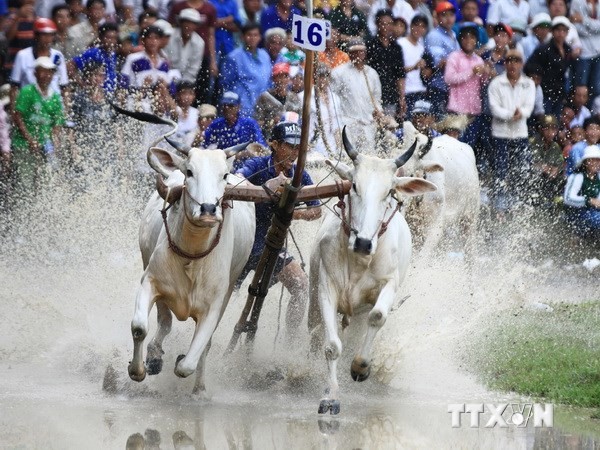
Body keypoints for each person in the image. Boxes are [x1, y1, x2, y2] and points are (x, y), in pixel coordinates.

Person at [234, 120, 322, 337]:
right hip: (241, 243)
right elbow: (235, 182)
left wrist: (293, 213)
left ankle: (290, 342)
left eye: (298, 148)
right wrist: (268, 188)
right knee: (228, 295)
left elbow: (317, 210)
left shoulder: (301, 174)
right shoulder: (257, 165)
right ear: (274, 145)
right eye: (289, 146)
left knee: (301, 285)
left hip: (271, 244)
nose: (294, 153)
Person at [487, 48, 536, 212]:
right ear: (505, 63)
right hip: (500, 134)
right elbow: (494, 109)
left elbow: (529, 108)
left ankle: (517, 205)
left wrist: (519, 113)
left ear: (521, 63)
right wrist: (512, 114)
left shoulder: (528, 83)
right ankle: (500, 207)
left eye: (516, 61)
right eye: (509, 61)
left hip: (520, 133)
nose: (512, 64)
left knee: (521, 171)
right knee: (500, 171)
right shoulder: (496, 83)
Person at [10, 56, 65, 196]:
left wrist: (53, 140)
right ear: (35, 73)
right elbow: (17, 115)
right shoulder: (27, 92)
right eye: (43, 72)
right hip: (24, 145)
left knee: (45, 182)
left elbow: (58, 122)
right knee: (26, 182)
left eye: (50, 72)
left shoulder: (54, 97)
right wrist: (30, 139)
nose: (46, 75)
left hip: (45, 146)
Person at [331, 37, 382, 150]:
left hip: (368, 124)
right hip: (348, 123)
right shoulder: (339, 73)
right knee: (348, 156)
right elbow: (333, 98)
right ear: (349, 54)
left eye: (361, 51)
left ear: (365, 53)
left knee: (368, 157)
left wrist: (378, 111)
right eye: (354, 52)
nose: (358, 54)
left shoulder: (372, 74)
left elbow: (377, 98)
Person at [9, 18, 69, 112]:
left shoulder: (58, 56)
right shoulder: (23, 55)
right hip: (29, 104)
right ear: (36, 36)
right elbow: (14, 86)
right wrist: (13, 111)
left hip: (53, 104)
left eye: (50, 35)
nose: (47, 39)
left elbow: (64, 87)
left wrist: (66, 110)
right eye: (44, 35)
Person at [526, 16, 574, 118]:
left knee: (555, 123)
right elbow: (529, 66)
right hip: (546, 92)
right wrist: (539, 76)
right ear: (552, 31)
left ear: (567, 32)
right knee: (545, 122)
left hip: (559, 93)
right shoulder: (544, 49)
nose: (560, 33)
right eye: (558, 30)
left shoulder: (568, 49)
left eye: (563, 30)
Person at [203, 91, 267, 166]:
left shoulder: (249, 123)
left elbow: (262, 147)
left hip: (246, 165)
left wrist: (246, 152)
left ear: (238, 107)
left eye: (231, 105)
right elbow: (205, 147)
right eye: (224, 105)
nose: (226, 108)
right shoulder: (216, 124)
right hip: (223, 165)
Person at [221, 24, 271, 117]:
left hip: (263, 105)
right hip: (243, 105)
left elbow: (268, 81)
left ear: (260, 37)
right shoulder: (234, 57)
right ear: (242, 37)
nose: (252, 38)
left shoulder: (265, 55)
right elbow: (226, 84)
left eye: (255, 35)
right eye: (249, 35)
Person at [366, 9, 406, 119]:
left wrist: (402, 98)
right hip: (372, 94)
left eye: (389, 23)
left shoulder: (396, 48)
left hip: (390, 95)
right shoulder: (370, 45)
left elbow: (400, 75)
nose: (386, 27)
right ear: (377, 24)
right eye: (382, 23)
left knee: (389, 128)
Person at [424, 1, 458, 118]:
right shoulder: (434, 35)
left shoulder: (453, 34)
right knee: (438, 122)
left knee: (450, 125)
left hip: (451, 87)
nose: (448, 18)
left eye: (451, 15)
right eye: (444, 15)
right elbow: (439, 62)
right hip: (437, 87)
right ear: (437, 17)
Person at [68, 22, 119, 94]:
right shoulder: (94, 52)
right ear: (101, 38)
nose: (112, 41)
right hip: (94, 96)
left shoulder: (113, 54)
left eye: (114, 38)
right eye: (108, 37)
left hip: (108, 96)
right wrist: (82, 84)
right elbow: (70, 66)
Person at [254, 62, 301, 140]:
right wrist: (271, 121)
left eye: (285, 76)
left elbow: (301, 120)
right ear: (273, 79)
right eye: (279, 77)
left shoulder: (294, 98)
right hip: (270, 139)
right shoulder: (265, 98)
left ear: (289, 79)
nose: (282, 80)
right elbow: (257, 122)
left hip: (290, 140)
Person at [564, 144, 600, 234]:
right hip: (576, 214)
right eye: (591, 160)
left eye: (597, 160)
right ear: (585, 162)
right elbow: (567, 198)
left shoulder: (598, 177)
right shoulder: (577, 177)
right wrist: (589, 200)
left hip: (593, 212)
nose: (594, 163)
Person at [529, 114, 564, 206]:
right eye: (547, 128)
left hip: (549, 179)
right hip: (534, 178)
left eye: (553, 129)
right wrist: (548, 168)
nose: (550, 132)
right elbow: (534, 164)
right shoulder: (532, 142)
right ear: (540, 129)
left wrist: (556, 170)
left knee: (562, 179)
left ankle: (554, 203)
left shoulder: (555, 146)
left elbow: (559, 165)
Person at [164, 8, 205, 84]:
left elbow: (193, 69)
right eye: (186, 22)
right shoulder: (169, 37)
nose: (189, 26)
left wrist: (184, 85)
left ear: (196, 26)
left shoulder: (199, 42)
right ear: (180, 23)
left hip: (185, 81)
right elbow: (163, 60)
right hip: (165, 78)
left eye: (192, 23)